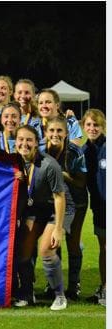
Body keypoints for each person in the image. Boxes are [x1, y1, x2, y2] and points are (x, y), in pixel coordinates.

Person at [14, 125, 67, 310]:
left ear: (37, 142)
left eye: (29, 140)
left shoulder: (49, 165)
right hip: (35, 210)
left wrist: (59, 229)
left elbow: (60, 197)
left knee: (46, 249)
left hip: (55, 210)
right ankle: (28, 295)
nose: (24, 144)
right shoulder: (16, 162)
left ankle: (60, 296)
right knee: (24, 250)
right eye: (21, 139)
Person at [44, 117, 87, 301]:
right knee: (55, 242)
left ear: (66, 133)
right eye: (52, 130)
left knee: (73, 242)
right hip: (53, 203)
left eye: (59, 131)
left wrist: (62, 175)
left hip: (77, 203)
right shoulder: (42, 152)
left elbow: (81, 182)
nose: (55, 134)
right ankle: (55, 286)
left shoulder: (74, 152)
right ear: (45, 132)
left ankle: (74, 286)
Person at [81, 109, 106, 306]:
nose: (92, 128)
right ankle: (105, 287)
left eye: (96, 125)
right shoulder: (84, 151)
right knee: (104, 248)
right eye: (88, 125)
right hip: (99, 208)